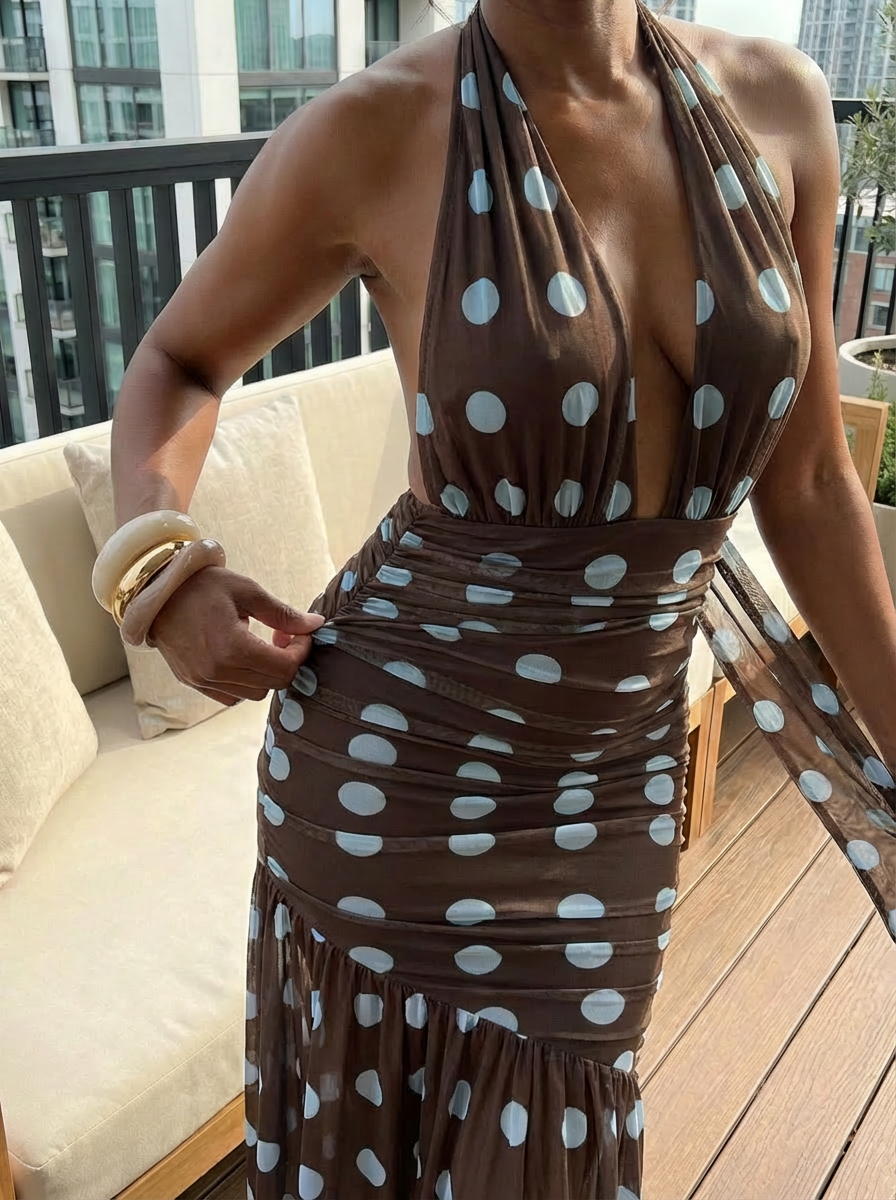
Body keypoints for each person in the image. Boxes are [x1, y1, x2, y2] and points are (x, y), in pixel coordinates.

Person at [97, 0, 896, 1195]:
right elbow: (179, 358)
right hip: (389, 780)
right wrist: (161, 568)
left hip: (612, 785)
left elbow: (813, 483)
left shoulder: (778, 105)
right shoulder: (373, 129)